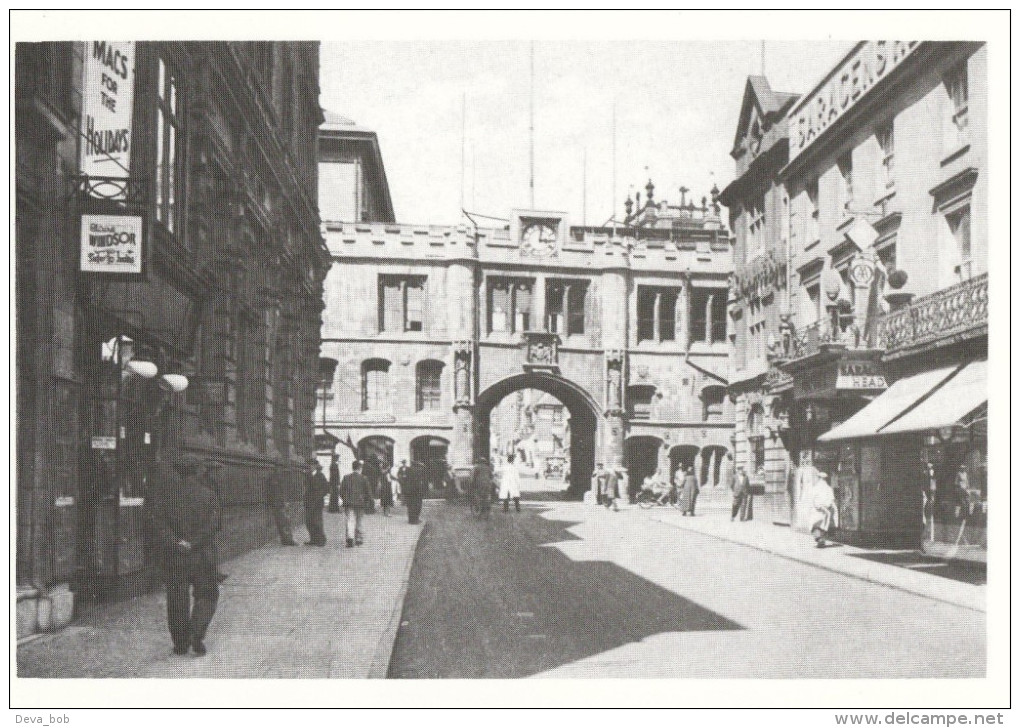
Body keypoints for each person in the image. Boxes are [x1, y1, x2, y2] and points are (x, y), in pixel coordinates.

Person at [146, 456, 221, 656]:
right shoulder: (209, 495)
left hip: (175, 555)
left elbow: (159, 524)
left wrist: (177, 542)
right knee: (207, 594)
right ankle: (196, 634)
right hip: (202, 555)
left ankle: (180, 643)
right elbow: (214, 526)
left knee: (176, 597)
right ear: (197, 471)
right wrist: (194, 543)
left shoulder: (166, 496)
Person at [204, 460, 229, 583]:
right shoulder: (206, 483)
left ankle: (214, 572)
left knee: (213, 547)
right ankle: (212, 573)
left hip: (213, 519)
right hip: (208, 520)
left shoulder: (212, 482)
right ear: (211, 470)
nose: (218, 473)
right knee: (209, 547)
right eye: (216, 470)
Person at [339, 459, 373, 547]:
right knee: (359, 520)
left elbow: (341, 491)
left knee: (350, 520)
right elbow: (368, 492)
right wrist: (367, 501)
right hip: (360, 503)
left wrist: (345, 499)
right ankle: (358, 538)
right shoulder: (364, 478)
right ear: (360, 468)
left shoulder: (346, 477)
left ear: (352, 467)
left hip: (349, 503)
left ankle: (350, 538)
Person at [267, 464, 297, 546]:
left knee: (284, 522)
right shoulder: (277, 478)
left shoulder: (275, 478)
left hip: (279, 503)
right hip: (280, 503)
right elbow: (276, 492)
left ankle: (286, 539)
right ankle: (288, 540)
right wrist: (284, 501)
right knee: (285, 522)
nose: (279, 469)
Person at [303, 458, 329, 546]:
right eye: (309, 465)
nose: (310, 467)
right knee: (309, 522)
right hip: (308, 502)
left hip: (317, 502)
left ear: (315, 466)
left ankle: (321, 540)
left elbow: (326, 488)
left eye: (311, 465)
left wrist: (319, 495)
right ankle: (313, 539)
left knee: (317, 521)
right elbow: (305, 489)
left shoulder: (320, 476)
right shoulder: (307, 475)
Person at [810, 472, 839, 548]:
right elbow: (831, 499)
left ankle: (820, 540)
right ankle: (820, 540)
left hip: (821, 509)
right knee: (821, 525)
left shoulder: (816, 488)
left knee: (820, 525)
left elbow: (813, 499)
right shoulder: (827, 488)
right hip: (821, 509)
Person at [405, 460, 426, 525]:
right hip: (416, 492)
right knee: (416, 506)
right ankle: (414, 520)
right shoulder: (417, 471)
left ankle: (411, 519)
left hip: (409, 491)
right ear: (417, 466)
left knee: (410, 506)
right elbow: (417, 483)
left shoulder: (408, 470)